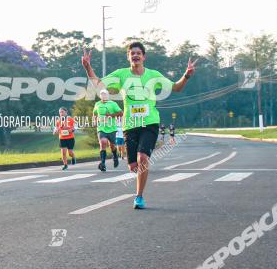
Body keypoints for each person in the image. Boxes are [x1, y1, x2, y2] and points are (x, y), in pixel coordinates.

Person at [82, 42, 195, 209]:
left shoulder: (153, 75)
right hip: (130, 124)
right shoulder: (121, 75)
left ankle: (139, 196)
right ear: (129, 57)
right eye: (132, 53)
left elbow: (176, 88)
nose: (135, 55)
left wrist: (186, 74)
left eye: (138, 53)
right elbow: (99, 86)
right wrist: (87, 68)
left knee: (143, 158)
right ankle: (137, 171)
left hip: (150, 122)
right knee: (133, 165)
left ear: (144, 57)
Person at [92, 89, 122, 171]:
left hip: (111, 128)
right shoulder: (97, 104)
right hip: (101, 128)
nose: (103, 96)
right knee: (103, 142)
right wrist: (95, 121)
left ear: (108, 95)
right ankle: (103, 163)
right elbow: (94, 113)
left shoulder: (113, 104)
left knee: (112, 146)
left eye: (105, 94)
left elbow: (121, 113)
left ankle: (115, 155)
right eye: (101, 94)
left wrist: (111, 115)